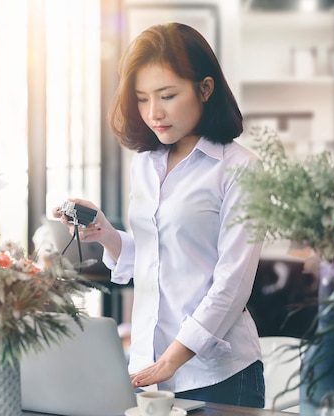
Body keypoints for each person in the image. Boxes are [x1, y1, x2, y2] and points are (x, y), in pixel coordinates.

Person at [53, 23, 265, 408]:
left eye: (167, 96)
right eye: (142, 98)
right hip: (149, 369)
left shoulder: (240, 168)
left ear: (204, 89)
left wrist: (175, 357)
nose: (154, 113)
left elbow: (232, 284)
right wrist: (105, 233)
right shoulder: (145, 164)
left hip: (217, 374)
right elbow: (154, 258)